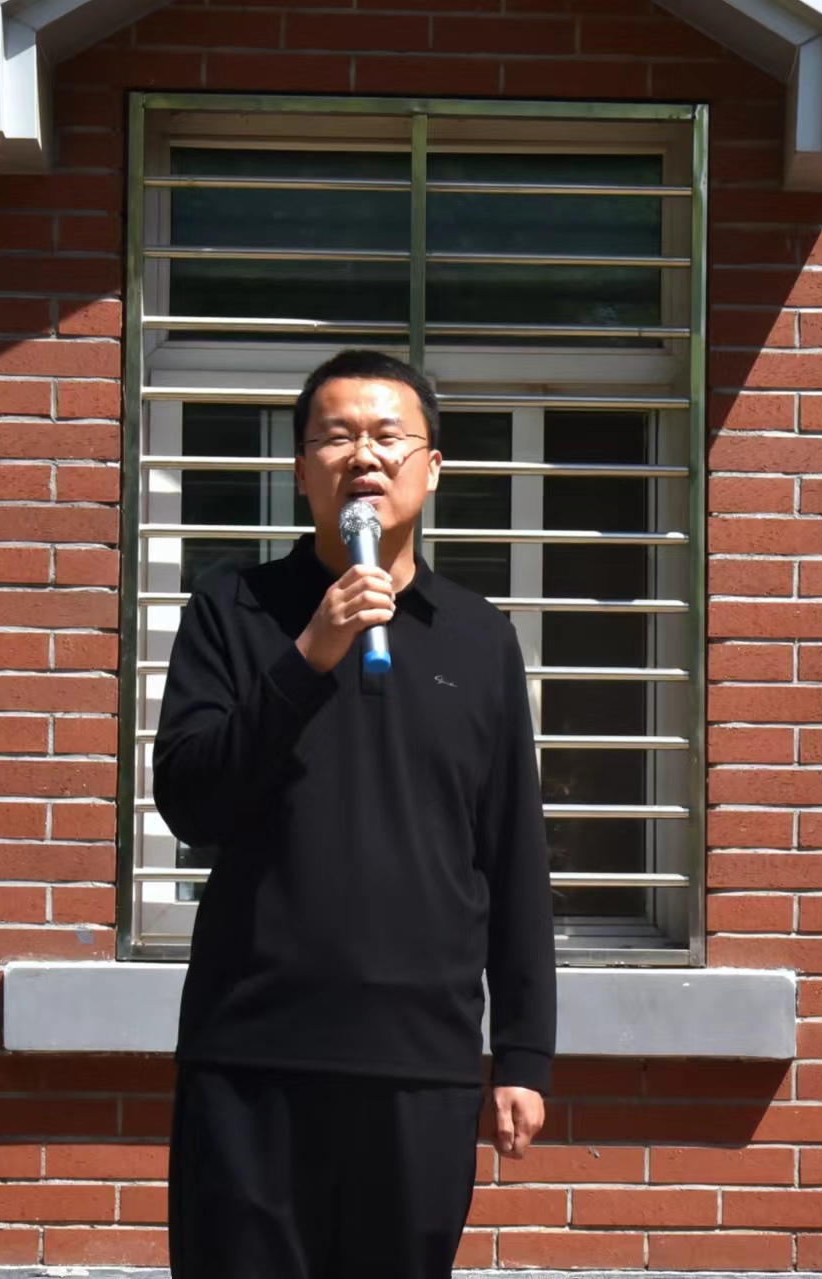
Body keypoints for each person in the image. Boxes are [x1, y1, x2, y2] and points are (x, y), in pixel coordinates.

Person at [154, 349, 555, 1279]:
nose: (363, 456)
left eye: (387, 436)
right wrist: (309, 653)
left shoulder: (479, 637)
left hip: (420, 1063)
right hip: (253, 1053)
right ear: (302, 470)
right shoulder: (233, 609)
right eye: (335, 437)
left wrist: (523, 1053)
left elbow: (512, 854)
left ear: (432, 467)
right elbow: (191, 800)